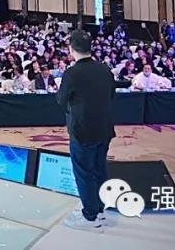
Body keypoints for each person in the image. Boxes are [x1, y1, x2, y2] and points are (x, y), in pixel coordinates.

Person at [57, 29, 115, 231]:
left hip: (83, 130)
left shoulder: (72, 73)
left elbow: (61, 99)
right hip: (104, 128)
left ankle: (90, 216)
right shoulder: (105, 69)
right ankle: (99, 210)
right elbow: (112, 95)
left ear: (71, 49)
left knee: (84, 172)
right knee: (100, 169)